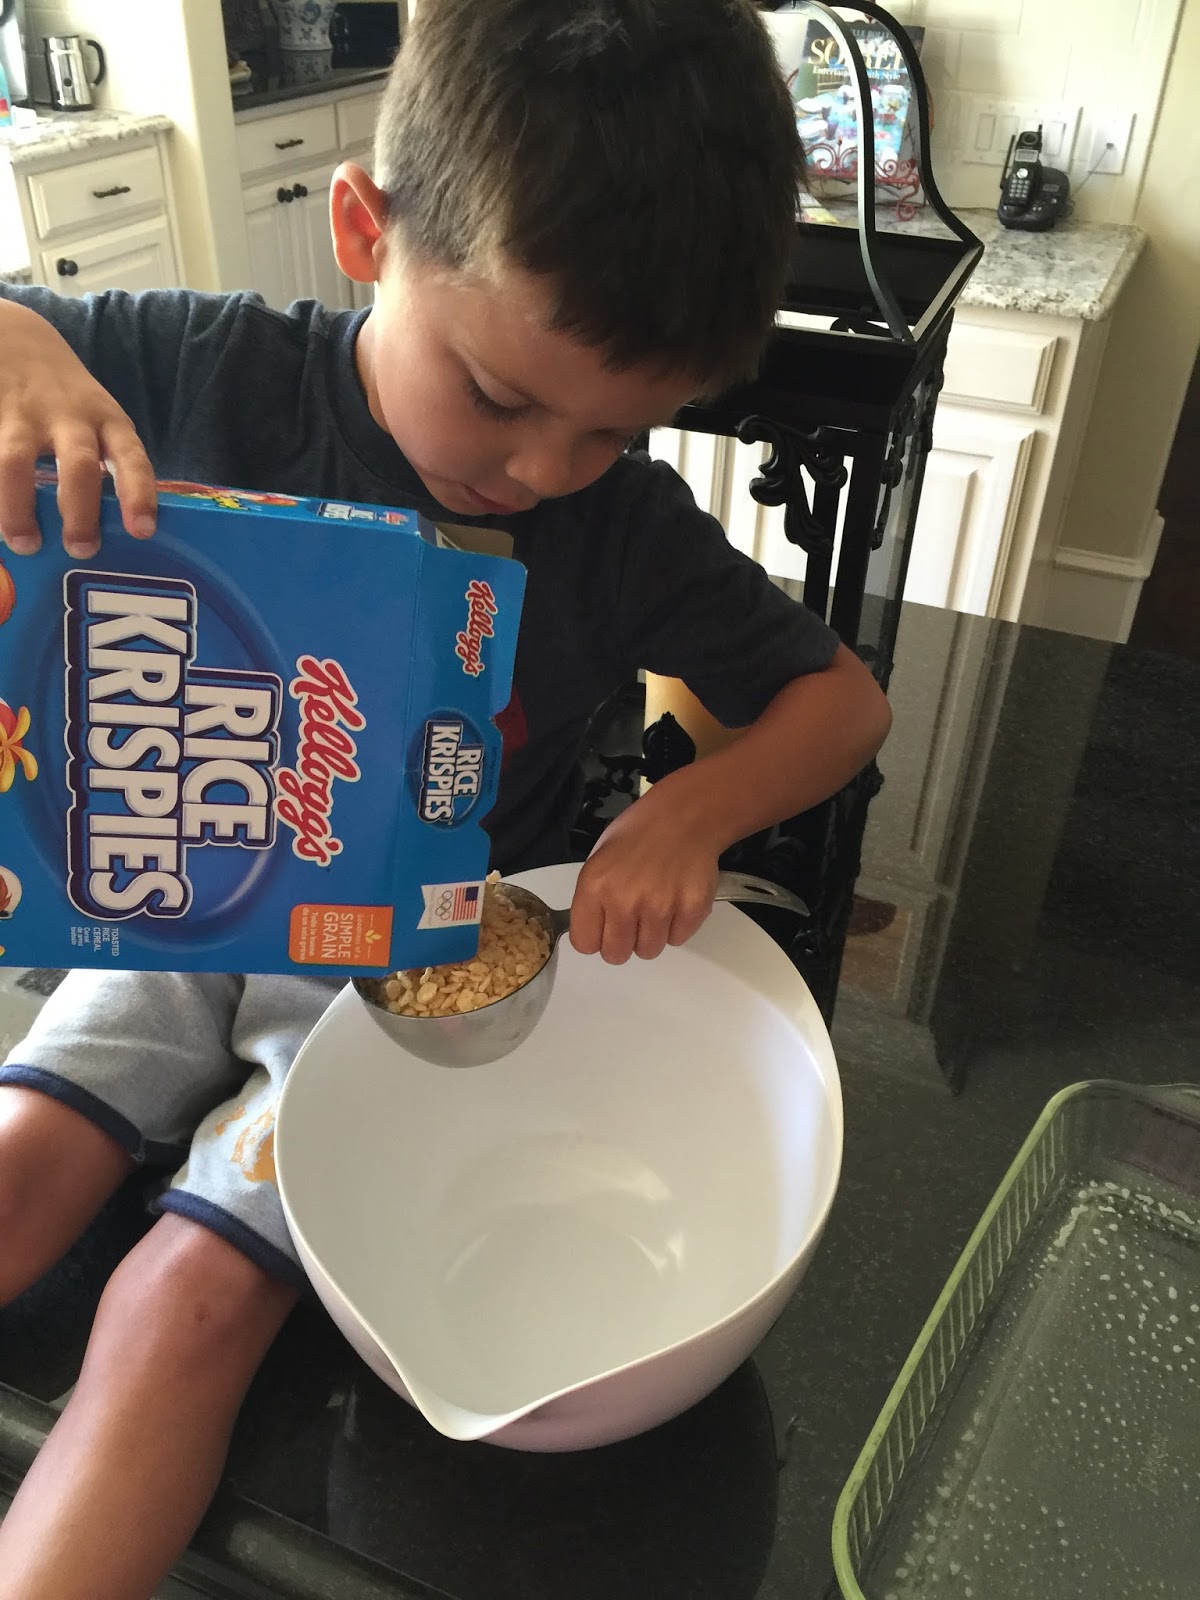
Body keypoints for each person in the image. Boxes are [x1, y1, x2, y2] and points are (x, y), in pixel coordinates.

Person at [0, 2, 891, 1593]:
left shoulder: (621, 533)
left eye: (612, 428)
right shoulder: (213, 372)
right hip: (180, 917)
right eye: (495, 394)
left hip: (404, 993)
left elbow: (846, 702)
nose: (544, 468)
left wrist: (688, 812)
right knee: (15, 1176)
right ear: (366, 231)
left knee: (180, 1310)